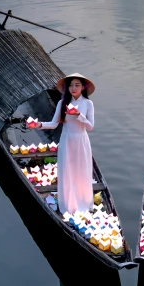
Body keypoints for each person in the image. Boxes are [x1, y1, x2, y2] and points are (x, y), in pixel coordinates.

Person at [29, 74, 96, 214]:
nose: (73, 88)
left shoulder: (88, 104)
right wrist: (39, 124)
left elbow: (90, 127)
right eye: (71, 85)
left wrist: (79, 115)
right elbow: (53, 124)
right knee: (68, 170)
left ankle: (83, 201)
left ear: (83, 87)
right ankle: (69, 204)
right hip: (67, 140)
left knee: (82, 170)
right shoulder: (62, 103)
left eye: (77, 85)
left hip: (81, 140)